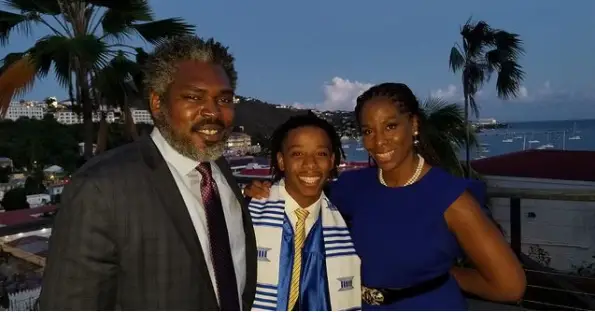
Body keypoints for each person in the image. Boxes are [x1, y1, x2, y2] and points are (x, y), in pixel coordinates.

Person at [245, 83, 526, 310]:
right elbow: (304, 204)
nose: (378, 141)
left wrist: (447, 276)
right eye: (368, 131)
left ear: (413, 125)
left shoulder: (449, 197)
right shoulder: (352, 187)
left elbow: (509, 286)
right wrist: (260, 192)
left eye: (390, 126)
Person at [39, 35, 257, 310]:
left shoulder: (221, 172)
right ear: (157, 103)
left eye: (223, 99)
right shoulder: (102, 189)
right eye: (193, 97)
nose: (213, 112)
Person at [249, 113, 361, 311]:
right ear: (281, 161)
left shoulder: (349, 222)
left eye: (321, 154)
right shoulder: (246, 215)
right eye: (297, 154)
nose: (310, 165)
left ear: (333, 160)